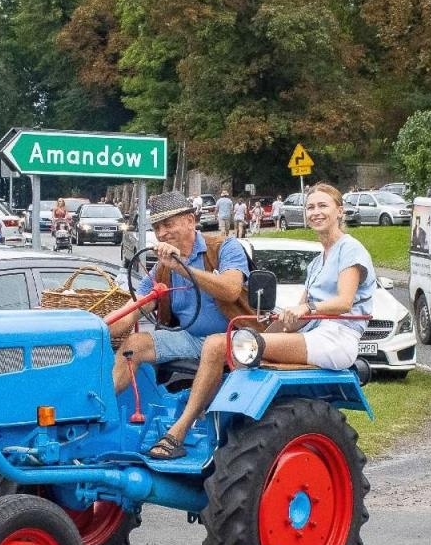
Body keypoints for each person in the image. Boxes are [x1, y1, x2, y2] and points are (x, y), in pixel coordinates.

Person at [144, 183, 375, 460]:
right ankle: (221, 427)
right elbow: (297, 321)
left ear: (340, 210)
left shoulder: (350, 248)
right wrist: (271, 325)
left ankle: (178, 432)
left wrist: (305, 308)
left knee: (221, 344)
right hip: (313, 334)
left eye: (323, 206)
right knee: (238, 345)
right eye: (310, 207)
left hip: (336, 337)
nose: (315, 212)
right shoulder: (317, 262)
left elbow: (344, 302)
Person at [110, 191, 257, 458]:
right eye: (156, 228)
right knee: (134, 345)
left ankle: (178, 432)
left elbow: (231, 290)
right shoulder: (162, 268)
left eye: (168, 225)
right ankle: (101, 415)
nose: (162, 233)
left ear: (190, 221)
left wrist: (182, 267)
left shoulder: (225, 248)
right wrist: (96, 329)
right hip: (190, 339)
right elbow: (137, 307)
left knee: (214, 344)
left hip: (236, 340)